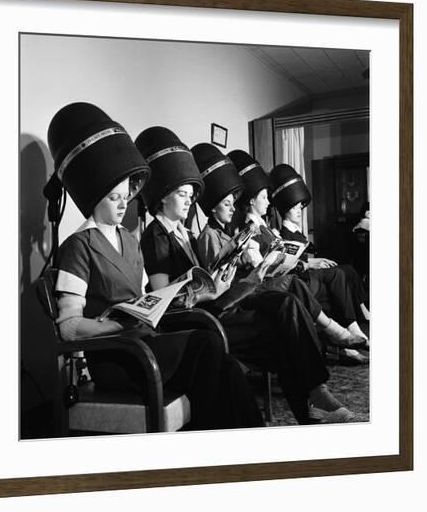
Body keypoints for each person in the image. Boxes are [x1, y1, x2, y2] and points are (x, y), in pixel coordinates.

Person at [47, 102, 263, 431]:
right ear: (93, 196)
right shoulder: (77, 246)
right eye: (113, 198)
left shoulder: (131, 242)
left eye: (125, 197)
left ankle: (247, 451)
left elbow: (147, 296)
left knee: (228, 367)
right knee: (206, 348)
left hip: (147, 341)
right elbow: (70, 328)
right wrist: (118, 327)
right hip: (118, 356)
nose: (122, 205)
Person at [137, 132, 356, 424]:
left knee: (286, 307)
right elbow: (163, 298)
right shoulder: (156, 237)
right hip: (199, 321)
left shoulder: (186, 235)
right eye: (182, 195)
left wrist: (223, 277)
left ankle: (315, 401)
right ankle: (314, 404)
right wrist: (206, 290)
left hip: (215, 307)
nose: (190, 201)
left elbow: (205, 280)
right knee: (284, 325)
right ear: (163, 196)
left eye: (192, 195)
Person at [228, 150, 367, 352]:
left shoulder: (264, 227)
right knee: (330, 278)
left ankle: (346, 339)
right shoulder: (248, 229)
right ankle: (342, 337)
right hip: (273, 283)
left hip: (285, 276)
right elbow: (258, 267)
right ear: (251, 201)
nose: (269, 202)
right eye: (265, 197)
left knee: (336, 276)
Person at [269, 163, 370, 363]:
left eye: (300, 208)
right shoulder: (282, 233)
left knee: (344, 271)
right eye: (296, 208)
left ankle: (353, 329)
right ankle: (351, 330)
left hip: (303, 272)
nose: (300, 212)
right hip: (298, 277)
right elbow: (291, 260)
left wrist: (315, 260)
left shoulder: (294, 232)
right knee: (339, 274)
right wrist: (312, 262)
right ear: (286, 208)